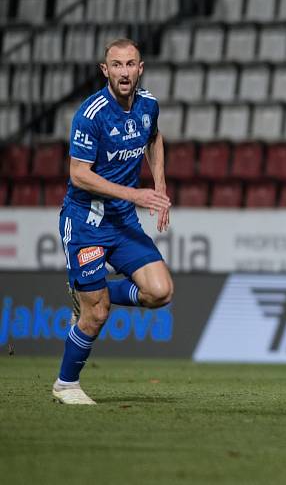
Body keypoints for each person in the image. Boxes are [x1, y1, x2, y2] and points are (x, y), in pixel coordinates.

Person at [52, 38, 173, 405]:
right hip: (85, 220)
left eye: (130, 64)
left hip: (121, 220)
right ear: (105, 70)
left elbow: (154, 138)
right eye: (116, 65)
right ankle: (66, 384)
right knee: (97, 314)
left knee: (160, 292)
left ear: (140, 68)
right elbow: (78, 175)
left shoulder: (148, 104)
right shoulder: (91, 114)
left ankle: (86, 293)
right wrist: (136, 194)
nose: (124, 71)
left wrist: (160, 184)